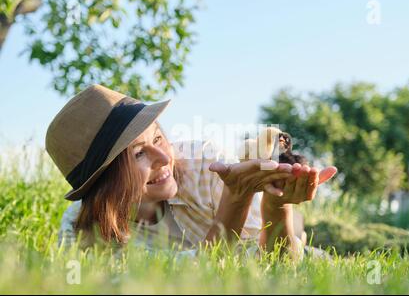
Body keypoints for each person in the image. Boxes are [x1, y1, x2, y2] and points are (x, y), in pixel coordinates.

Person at [47, 84, 337, 258]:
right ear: (104, 181)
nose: (163, 157)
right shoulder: (82, 232)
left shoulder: (205, 164)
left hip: (301, 250)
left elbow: (274, 266)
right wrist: (235, 198)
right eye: (138, 153)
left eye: (158, 138)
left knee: (303, 242)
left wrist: (277, 205)